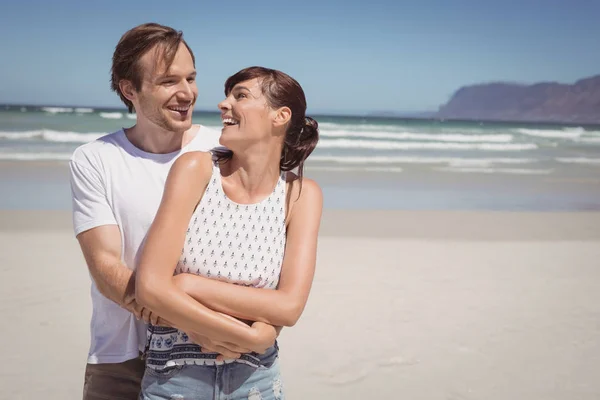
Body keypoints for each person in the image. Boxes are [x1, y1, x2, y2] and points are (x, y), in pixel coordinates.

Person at [69, 23, 277, 400]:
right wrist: (196, 326)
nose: (187, 93)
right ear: (129, 89)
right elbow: (106, 268)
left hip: (215, 357)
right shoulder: (95, 159)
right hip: (122, 355)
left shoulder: (225, 148)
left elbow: (263, 253)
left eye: (191, 78)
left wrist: (238, 332)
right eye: (168, 81)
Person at [135, 66, 323, 399]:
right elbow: (149, 287)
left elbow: (290, 306)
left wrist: (187, 285)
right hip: (174, 378)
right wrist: (252, 336)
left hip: (257, 382)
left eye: (240, 96)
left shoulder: (301, 195)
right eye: (226, 95)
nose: (223, 104)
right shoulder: (196, 170)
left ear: (280, 116)